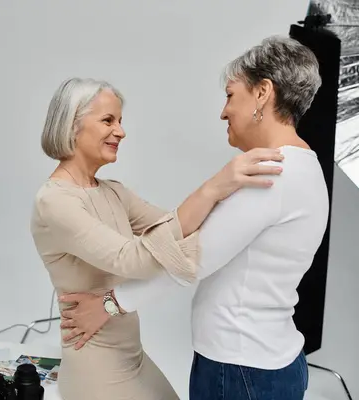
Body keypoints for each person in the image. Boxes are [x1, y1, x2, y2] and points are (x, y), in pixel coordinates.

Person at [57, 36, 328, 400]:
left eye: (231, 95)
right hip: (265, 361)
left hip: (241, 370)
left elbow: (190, 259)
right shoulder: (304, 167)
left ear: (263, 92)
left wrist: (108, 305)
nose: (223, 111)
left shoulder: (272, 174)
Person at [30, 75, 285, 399]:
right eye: (108, 120)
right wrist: (214, 186)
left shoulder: (112, 192)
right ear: (72, 125)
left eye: (120, 121)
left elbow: (177, 229)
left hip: (132, 357)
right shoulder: (55, 201)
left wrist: (232, 209)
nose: (120, 131)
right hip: (96, 368)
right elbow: (135, 258)